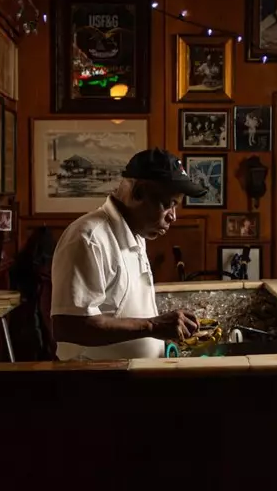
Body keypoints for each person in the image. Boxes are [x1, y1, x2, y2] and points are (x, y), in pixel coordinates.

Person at [50, 149, 206, 360]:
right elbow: (69, 327)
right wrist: (153, 326)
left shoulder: (137, 232)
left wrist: (162, 336)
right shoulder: (88, 238)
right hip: (94, 384)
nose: (173, 217)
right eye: (169, 204)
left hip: (132, 380)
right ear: (139, 192)